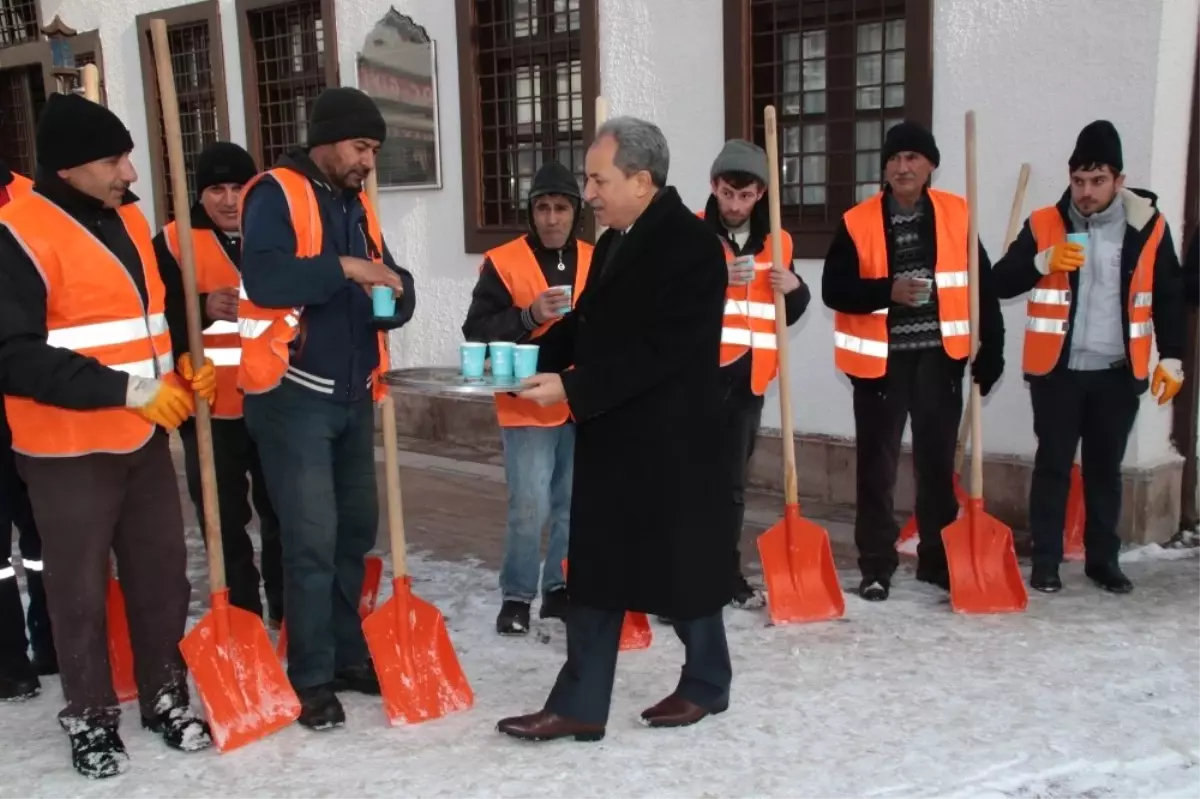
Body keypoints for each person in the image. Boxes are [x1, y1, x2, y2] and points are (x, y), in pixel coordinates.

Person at [497, 116, 735, 742]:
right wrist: (523, 359)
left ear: (642, 179)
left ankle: (708, 682)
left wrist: (574, 389)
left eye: (599, 180)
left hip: (671, 442)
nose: (590, 194)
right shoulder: (613, 242)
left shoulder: (691, 246)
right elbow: (592, 328)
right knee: (597, 570)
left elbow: (667, 350)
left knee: (682, 567)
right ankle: (580, 703)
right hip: (613, 431)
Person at [0, 92, 214, 778]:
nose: (131, 171)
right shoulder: (18, 234)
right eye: (114, 158)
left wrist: (183, 357)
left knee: (161, 575)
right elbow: (14, 353)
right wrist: (129, 388)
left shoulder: (126, 217)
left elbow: (153, 309)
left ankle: (163, 692)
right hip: (66, 445)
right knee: (78, 589)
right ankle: (89, 715)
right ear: (68, 168)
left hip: (144, 434)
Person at [238, 87, 416, 731]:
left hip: (353, 396)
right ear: (327, 140)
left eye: (373, 150)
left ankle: (343, 653)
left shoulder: (356, 203)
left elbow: (389, 275)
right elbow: (266, 278)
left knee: (354, 532)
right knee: (310, 539)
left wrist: (399, 293)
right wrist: (345, 268)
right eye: (360, 147)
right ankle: (309, 675)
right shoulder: (275, 194)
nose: (368, 160)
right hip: (293, 397)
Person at [992, 120, 1184, 594]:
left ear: (1119, 180)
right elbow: (999, 281)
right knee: (1053, 466)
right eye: (1078, 181)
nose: (1086, 192)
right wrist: (1042, 262)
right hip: (1057, 372)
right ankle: (1047, 562)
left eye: (1098, 181)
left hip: (1117, 374)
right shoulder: (1044, 223)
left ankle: (1103, 561)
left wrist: (1174, 356)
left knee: (1105, 470)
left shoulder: (1149, 227)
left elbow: (1169, 296)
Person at [821, 121, 1005, 602]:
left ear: (930, 167)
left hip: (940, 360)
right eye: (895, 159)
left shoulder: (957, 215)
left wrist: (994, 346)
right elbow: (833, 289)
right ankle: (877, 565)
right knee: (876, 470)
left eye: (913, 159)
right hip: (880, 366)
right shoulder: (857, 221)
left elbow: (982, 285)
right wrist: (888, 292)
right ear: (884, 167)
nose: (903, 167)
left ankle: (937, 562)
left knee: (936, 467)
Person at [153, 141, 283, 627]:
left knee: (282, 514)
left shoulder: (275, 233)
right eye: (216, 189)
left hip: (273, 399)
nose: (229, 200)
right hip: (208, 406)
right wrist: (201, 308)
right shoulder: (171, 243)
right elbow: (151, 320)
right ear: (199, 193)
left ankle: (286, 613)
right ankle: (243, 617)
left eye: (238, 188)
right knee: (223, 521)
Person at [462, 160, 592, 635]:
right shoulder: (503, 261)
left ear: (576, 212)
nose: (552, 218)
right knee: (529, 505)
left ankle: (559, 588)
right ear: (531, 212)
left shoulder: (596, 257)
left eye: (561, 207)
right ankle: (516, 596)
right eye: (543, 208)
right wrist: (528, 315)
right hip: (526, 401)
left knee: (572, 503)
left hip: (581, 398)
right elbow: (476, 331)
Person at [700, 139, 810, 611]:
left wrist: (796, 288)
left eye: (746, 196)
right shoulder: (693, 234)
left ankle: (726, 573)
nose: (736, 205)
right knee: (691, 481)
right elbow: (671, 302)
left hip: (752, 377)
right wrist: (717, 282)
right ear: (714, 187)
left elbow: (787, 311)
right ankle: (686, 573)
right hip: (701, 377)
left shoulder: (779, 239)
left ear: (761, 194)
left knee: (731, 485)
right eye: (728, 193)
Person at [0, 152, 56, 700]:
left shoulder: (28, 200)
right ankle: (8, 661)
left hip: (31, 395)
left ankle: (52, 644)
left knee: (44, 535)